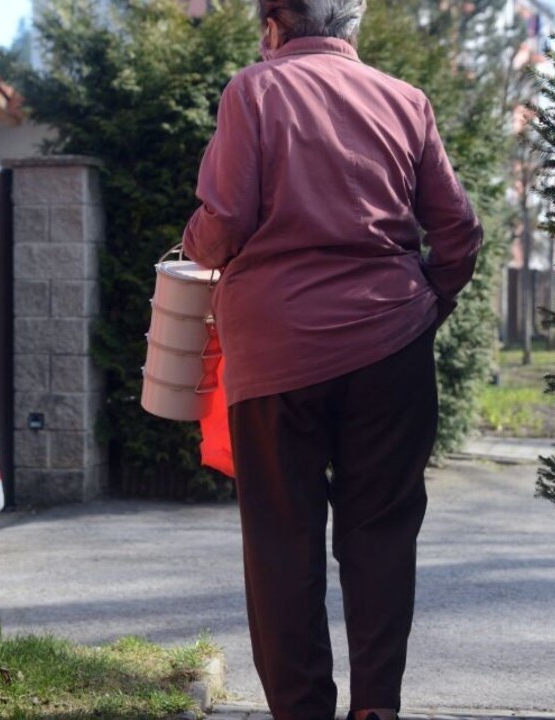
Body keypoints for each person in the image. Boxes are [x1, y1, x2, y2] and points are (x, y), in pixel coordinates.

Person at [181, 0, 483, 717]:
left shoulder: (253, 90)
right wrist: (422, 307)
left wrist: (192, 247)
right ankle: (377, 706)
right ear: (352, 27)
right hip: (391, 345)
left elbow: (225, 221)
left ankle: (301, 709)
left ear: (273, 25)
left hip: (275, 352)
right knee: (380, 531)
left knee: (282, 540)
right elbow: (460, 232)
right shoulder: (405, 101)